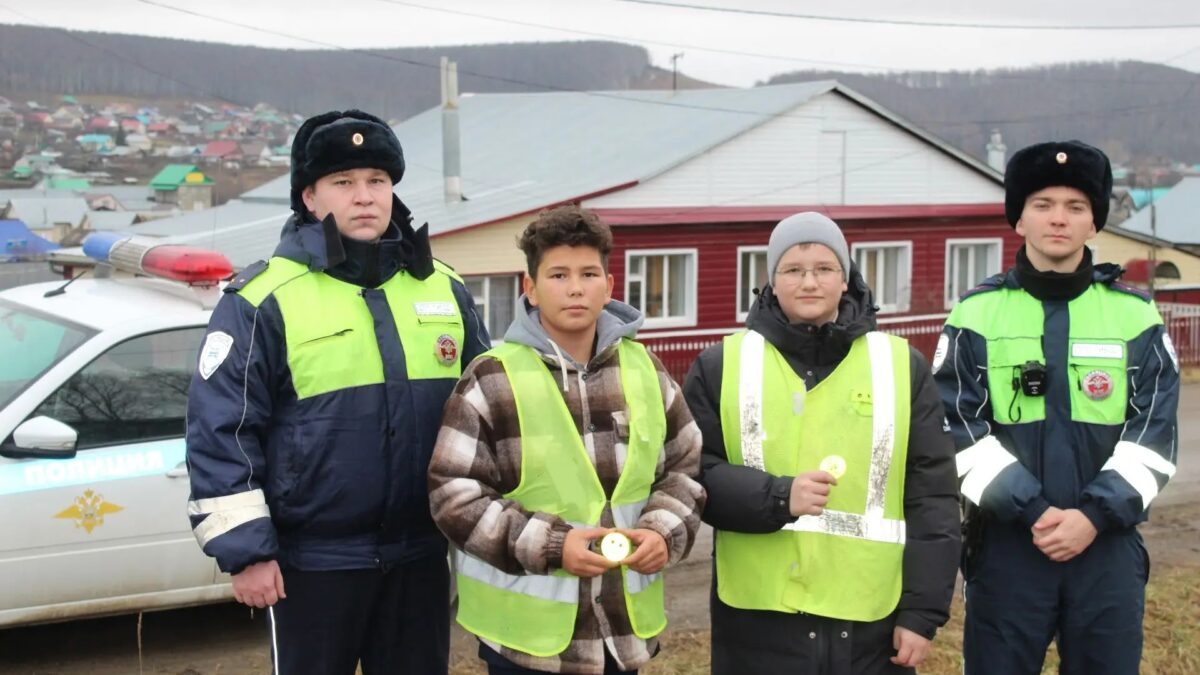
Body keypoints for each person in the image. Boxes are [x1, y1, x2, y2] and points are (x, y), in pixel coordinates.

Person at [185, 109, 490, 674]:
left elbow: (491, 415)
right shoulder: (261, 299)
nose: (365, 196)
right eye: (343, 183)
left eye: (377, 180)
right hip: (312, 564)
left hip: (420, 556)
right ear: (309, 197)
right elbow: (222, 432)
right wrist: (248, 553)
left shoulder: (444, 288)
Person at [935, 140, 1179, 675]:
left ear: (1095, 223)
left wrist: (1092, 517)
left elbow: (1153, 440)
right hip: (1008, 549)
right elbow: (957, 435)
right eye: (1042, 205)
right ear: (1018, 219)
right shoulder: (977, 315)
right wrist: (1035, 512)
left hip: (1106, 552)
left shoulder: (1136, 318)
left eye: (1076, 207)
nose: (1058, 220)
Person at [429, 205, 705, 674]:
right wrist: (555, 545)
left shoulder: (646, 370)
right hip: (527, 646)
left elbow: (684, 465)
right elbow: (454, 496)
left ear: (609, 286)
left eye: (588, 273)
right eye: (558, 274)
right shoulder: (491, 379)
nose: (575, 287)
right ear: (531, 289)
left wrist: (663, 531)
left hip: (621, 634)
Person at [683, 212, 960, 674]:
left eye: (824, 268)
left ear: (846, 277)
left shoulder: (900, 366)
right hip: (758, 619)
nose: (808, 282)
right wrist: (777, 496)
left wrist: (922, 613)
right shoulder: (721, 364)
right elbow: (692, 476)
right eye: (793, 269)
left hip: (872, 618)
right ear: (771, 281)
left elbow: (932, 495)